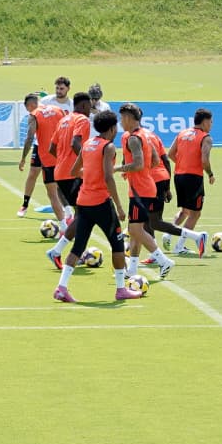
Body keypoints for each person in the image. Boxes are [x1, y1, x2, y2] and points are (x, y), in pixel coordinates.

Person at [52, 110, 145, 303]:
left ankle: (62, 287)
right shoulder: (108, 147)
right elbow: (109, 177)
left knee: (78, 246)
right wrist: (119, 207)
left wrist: (91, 173)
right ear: (112, 129)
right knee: (117, 244)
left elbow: (74, 171)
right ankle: (120, 289)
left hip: (83, 203)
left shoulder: (87, 144)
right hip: (101, 203)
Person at [117, 103, 176, 278]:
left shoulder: (133, 138)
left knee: (136, 231)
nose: (121, 122)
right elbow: (156, 160)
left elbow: (139, 164)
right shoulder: (143, 135)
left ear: (128, 118)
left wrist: (118, 169)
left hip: (140, 191)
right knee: (135, 230)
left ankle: (164, 261)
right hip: (144, 187)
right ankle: (132, 270)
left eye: (122, 118)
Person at [139, 120, 204, 259]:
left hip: (152, 181)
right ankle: (155, 255)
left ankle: (196, 236)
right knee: (145, 221)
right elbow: (166, 159)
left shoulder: (135, 137)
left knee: (151, 221)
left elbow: (165, 157)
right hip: (160, 179)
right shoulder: (153, 135)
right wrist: (167, 187)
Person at [45, 92, 94, 269]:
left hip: (61, 173)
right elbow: (75, 143)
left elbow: (52, 147)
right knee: (85, 215)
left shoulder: (63, 120)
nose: (90, 110)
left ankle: (72, 252)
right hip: (74, 174)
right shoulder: (82, 120)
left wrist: (62, 161)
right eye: (89, 106)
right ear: (82, 106)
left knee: (83, 215)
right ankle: (58, 251)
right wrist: (88, 162)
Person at [167, 108, 215, 254]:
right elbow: (205, 160)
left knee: (185, 211)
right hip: (194, 178)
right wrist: (210, 174)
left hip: (179, 176)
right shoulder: (205, 137)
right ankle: (180, 247)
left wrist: (182, 165)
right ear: (205, 122)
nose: (211, 125)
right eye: (211, 122)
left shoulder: (182, 133)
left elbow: (170, 153)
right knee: (195, 213)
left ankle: (168, 233)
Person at [17, 93, 65, 219]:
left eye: (28, 108)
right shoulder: (57, 110)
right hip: (48, 148)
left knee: (54, 185)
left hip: (48, 151)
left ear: (30, 105)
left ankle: (64, 212)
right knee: (33, 173)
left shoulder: (35, 115)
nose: (28, 111)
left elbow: (29, 137)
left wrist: (23, 158)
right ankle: (25, 204)